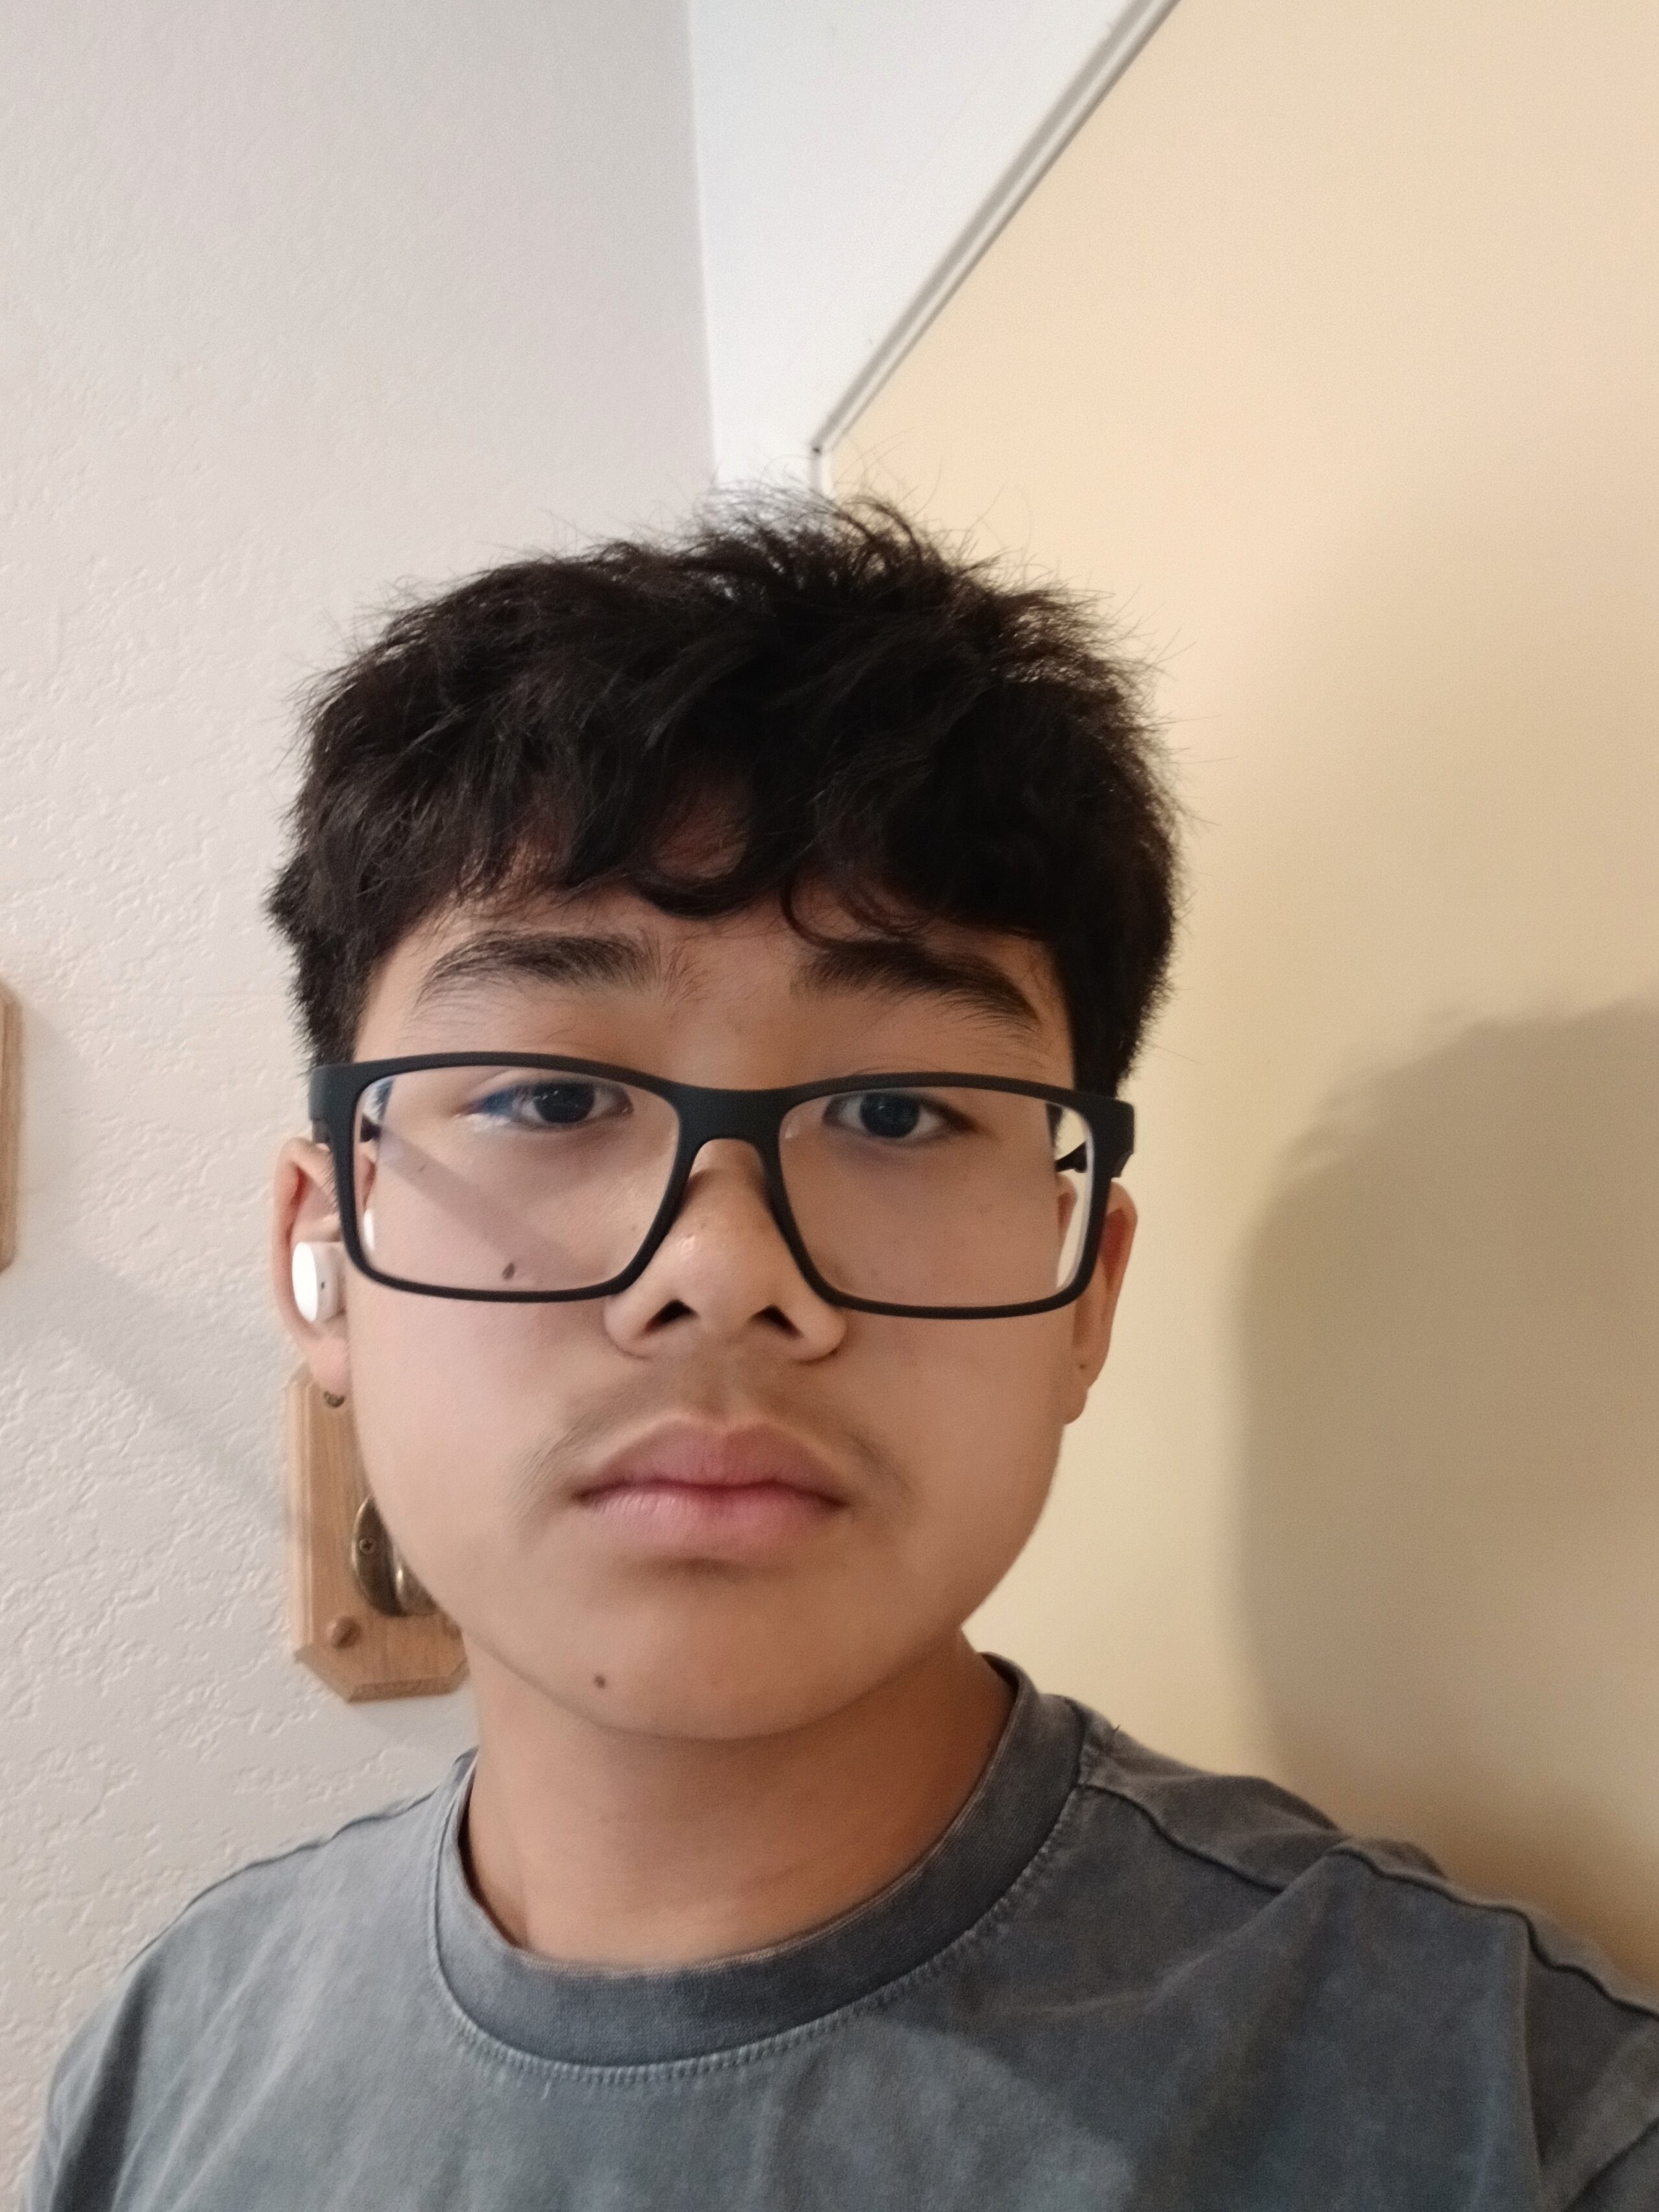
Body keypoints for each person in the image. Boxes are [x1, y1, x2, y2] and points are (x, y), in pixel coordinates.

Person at [25, 498, 1659, 2210]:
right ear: (327, 1255)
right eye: (551, 1097)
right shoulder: (167, 2058)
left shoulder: (1512, 2120)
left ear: (1083, 1294)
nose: (724, 1269)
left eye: (895, 1112)